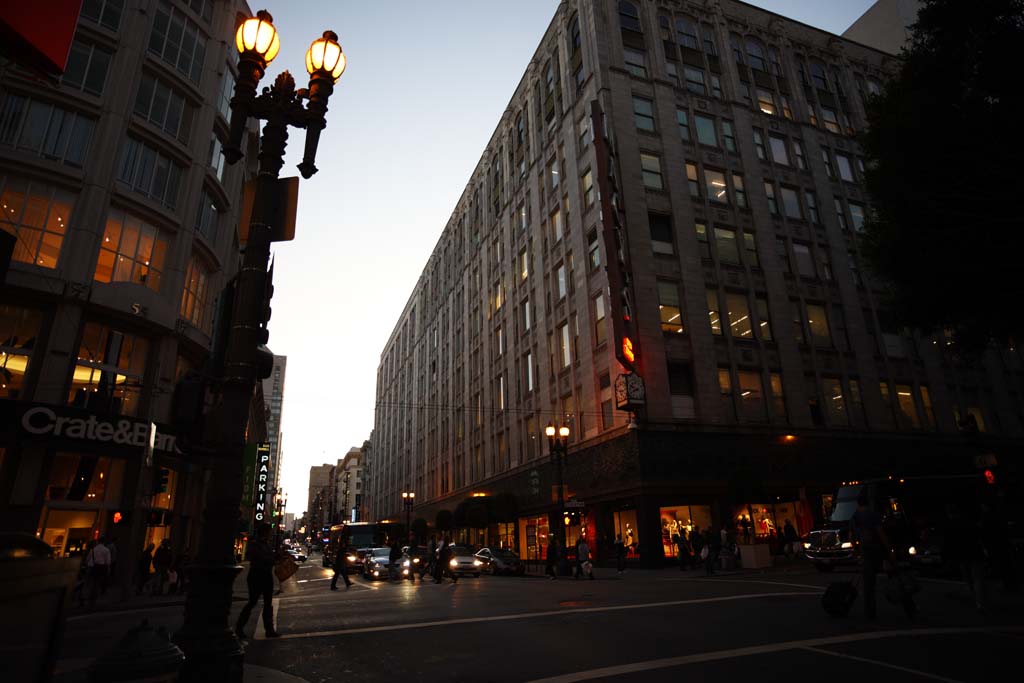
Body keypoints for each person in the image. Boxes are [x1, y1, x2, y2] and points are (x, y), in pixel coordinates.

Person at [236, 523, 280, 638]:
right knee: (252, 602)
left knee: (267, 603)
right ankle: (239, 628)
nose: (270, 534)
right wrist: (270, 559)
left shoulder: (265, 544)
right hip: (257, 575)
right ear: (264, 532)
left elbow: (269, 557)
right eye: (268, 531)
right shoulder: (255, 544)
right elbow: (254, 557)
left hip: (266, 575)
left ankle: (269, 630)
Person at [851, 490, 888, 619]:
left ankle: (870, 610)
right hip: (876, 548)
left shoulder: (855, 516)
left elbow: (852, 536)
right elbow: (880, 532)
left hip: (864, 550)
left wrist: (857, 551)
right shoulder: (872, 514)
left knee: (868, 583)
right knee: (888, 575)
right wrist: (887, 547)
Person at [84, 538, 112, 607]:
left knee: (90, 582)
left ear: (98, 542)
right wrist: (108, 569)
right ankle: (94, 598)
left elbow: (87, 559)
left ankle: (87, 596)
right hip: (101, 568)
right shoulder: (106, 550)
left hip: (92, 567)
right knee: (98, 583)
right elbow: (108, 562)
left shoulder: (93, 549)